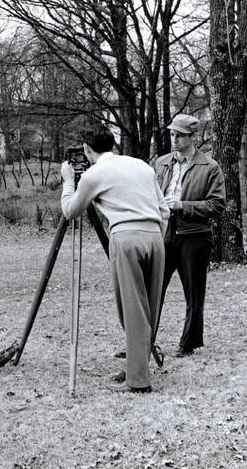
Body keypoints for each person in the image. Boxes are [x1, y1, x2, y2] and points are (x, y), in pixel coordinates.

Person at [61, 125, 170, 393]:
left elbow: (70, 211)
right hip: (155, 236)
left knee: (133, 310)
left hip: (126, 238)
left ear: (87, 150)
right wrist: (154, 234)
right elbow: (164, 209)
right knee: (149, 309)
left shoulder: (93, 175)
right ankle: (138, 368)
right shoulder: (142, 166)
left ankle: (138, 382)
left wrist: (67, 181)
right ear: (112, 144)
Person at [154, 114, 226, 357]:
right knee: (152, 290)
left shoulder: (210, 167)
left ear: (192, 137)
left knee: (194, 293)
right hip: (164, 233)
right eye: (172, 134)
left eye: (180, 135)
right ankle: (142, 341)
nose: (174, 139)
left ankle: (188, 344)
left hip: (195, 236)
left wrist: (183, 206)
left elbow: (217, 205)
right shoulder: (162, 163)